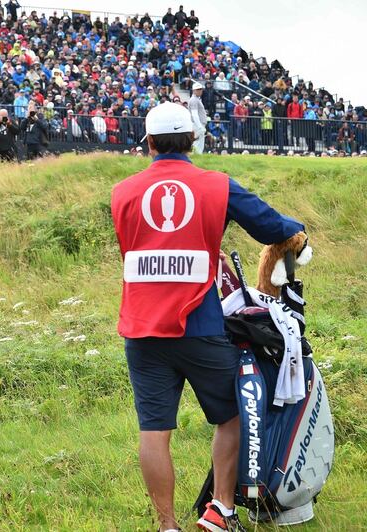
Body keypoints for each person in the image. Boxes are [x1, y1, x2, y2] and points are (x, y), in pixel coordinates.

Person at [110, 102, 305, 532]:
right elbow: (269, 225)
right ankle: (221, 509)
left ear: (149, 143)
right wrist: (297, 228)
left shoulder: (122, 192)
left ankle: (166, 525)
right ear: (194, 139)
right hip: (200, 323)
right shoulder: (215, 185)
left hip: (141, 328)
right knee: (233, 414)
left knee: (154, 430)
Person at [188, 82, 208, 154]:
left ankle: (197, 156)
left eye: (201, 89)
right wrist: (200, 126)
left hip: (198, 124)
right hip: (197, 125)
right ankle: (196, 157)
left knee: (199, 143)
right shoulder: (194, 100)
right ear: (194, 90)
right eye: (198, 89)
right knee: (197, 143)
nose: (200, 91)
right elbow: (194, 114)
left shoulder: (196, 99)